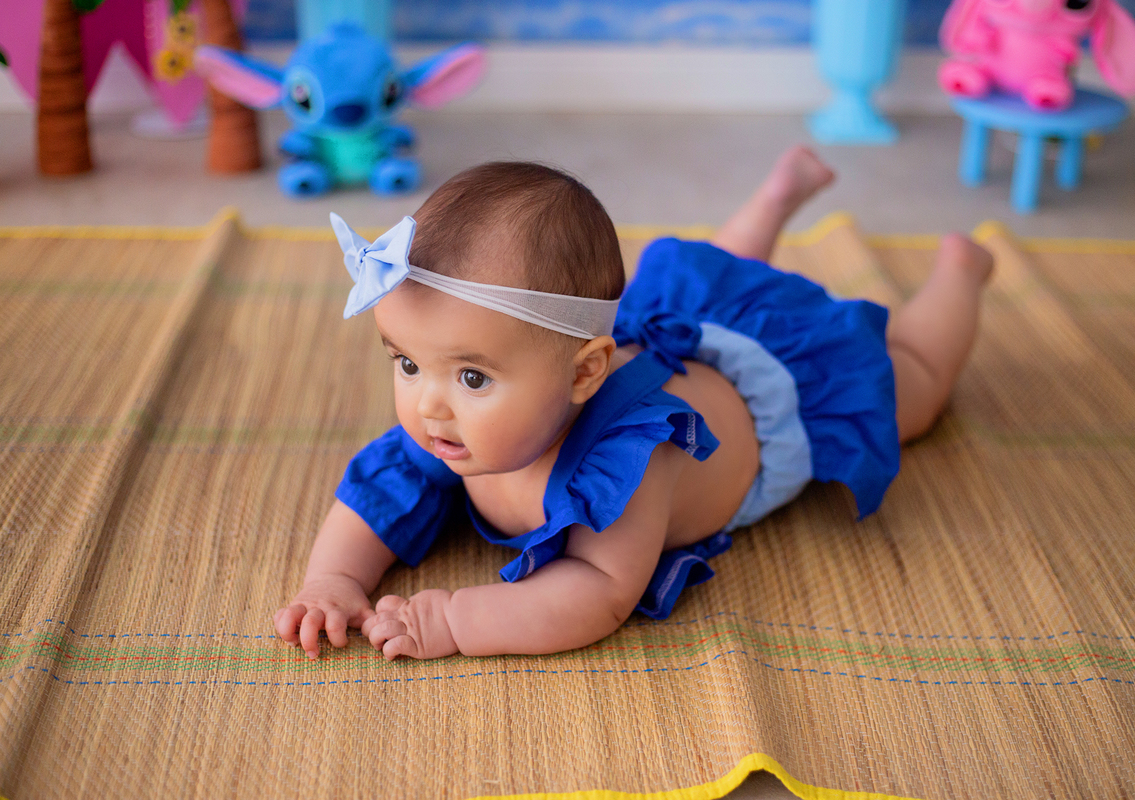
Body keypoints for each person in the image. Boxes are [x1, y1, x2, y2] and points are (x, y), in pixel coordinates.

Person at [273, 146, 994, 661]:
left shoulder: (628, 463)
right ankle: (774, 198)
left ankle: (962, 273)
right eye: (405, 362)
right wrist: (333, 582)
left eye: (471, 378)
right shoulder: (454, 427)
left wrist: (456, 620)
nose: (428, 406)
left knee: (912, 391)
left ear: (586, 371)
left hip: (779, 394)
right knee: (718, 277)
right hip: (669, 334)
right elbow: (375, 497)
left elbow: (597, 592)